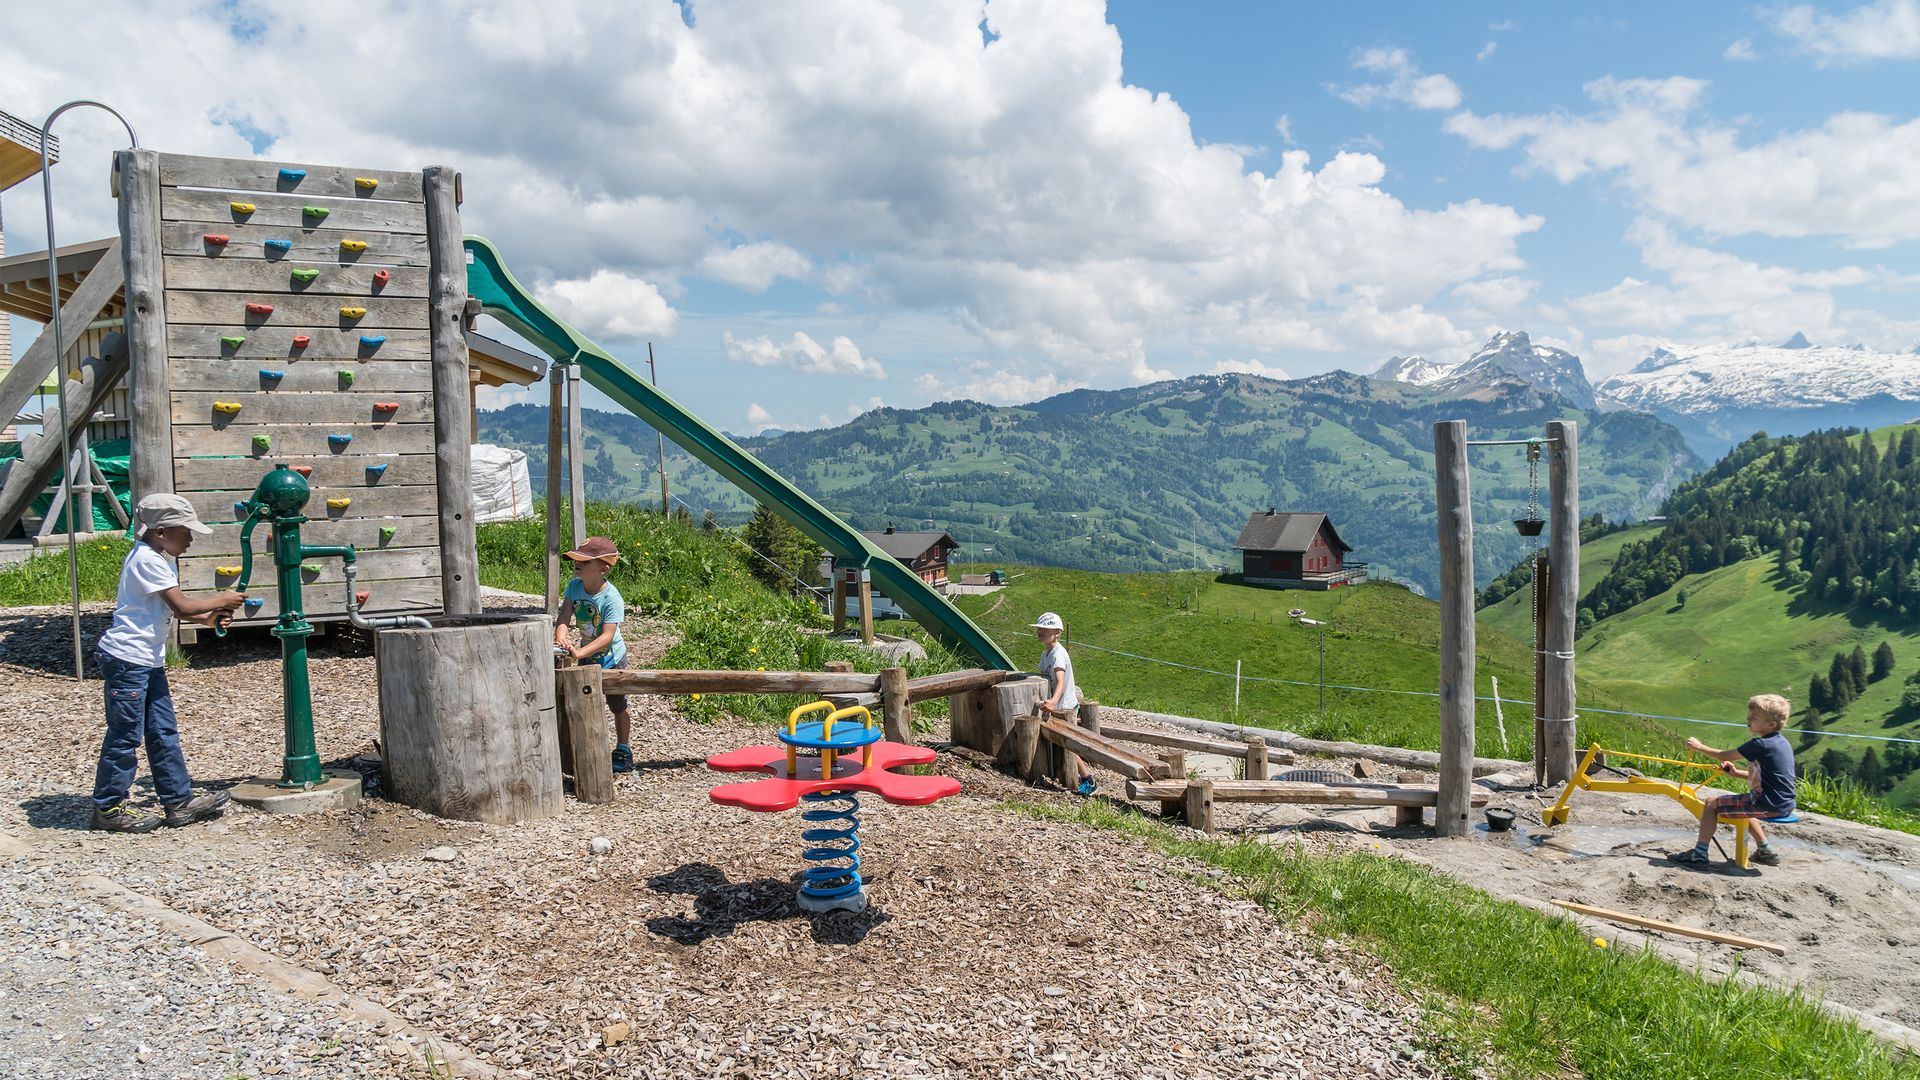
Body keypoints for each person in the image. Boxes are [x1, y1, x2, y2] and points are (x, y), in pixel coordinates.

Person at [90, 494, 248, 833]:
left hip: (146, 661)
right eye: (185, 531)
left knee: (162, 731)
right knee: (125, 736)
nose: (190, 538)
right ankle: (108, 807)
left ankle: (178, 800)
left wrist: (209, 620)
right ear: (161, 532)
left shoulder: (157, 557)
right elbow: (182, 606)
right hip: (128, 661)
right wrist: (222, 599)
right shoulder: (147, 559)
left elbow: (171, 611)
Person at [1672, 693, 1797, 867]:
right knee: (1744, 804)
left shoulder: (1759, 745)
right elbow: (1771, 779)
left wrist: (1699, 747)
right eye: (1749, 714)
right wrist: (1737, 773)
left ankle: (1699, 853)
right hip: (1784, 805)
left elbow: (1723, 755)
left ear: (1771, 724)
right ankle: (1765, 850)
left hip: (1766, 804)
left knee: (1711, 803)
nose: (1748, 718)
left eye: (1754, 716)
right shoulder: (1782, 743)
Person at [554, 536, 634, 773]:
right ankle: (587, 742)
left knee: (617, 703)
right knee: (584, 698)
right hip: (587, 652)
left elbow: (607, 636)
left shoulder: (611, 597)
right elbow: (564, 617)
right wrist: (561, 635)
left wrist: (578, 652)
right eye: (576, 559)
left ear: (604, 568)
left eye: (584, 561)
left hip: (611, 657)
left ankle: (623, 746)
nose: (576, 563)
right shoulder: (574, 586)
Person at [1032, 611, 1095, 796]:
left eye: (1046, 629)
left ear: (1057, 633)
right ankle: (1064, 774)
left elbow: (1060, 681)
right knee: (1060, 742)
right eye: (1039, 629)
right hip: (1057, 705)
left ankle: (1088, 779)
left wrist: (1053, 701)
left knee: (1067, 743)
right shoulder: (1046, 654)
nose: (1041, 632)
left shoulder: (1058, 655)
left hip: (1064, 706)